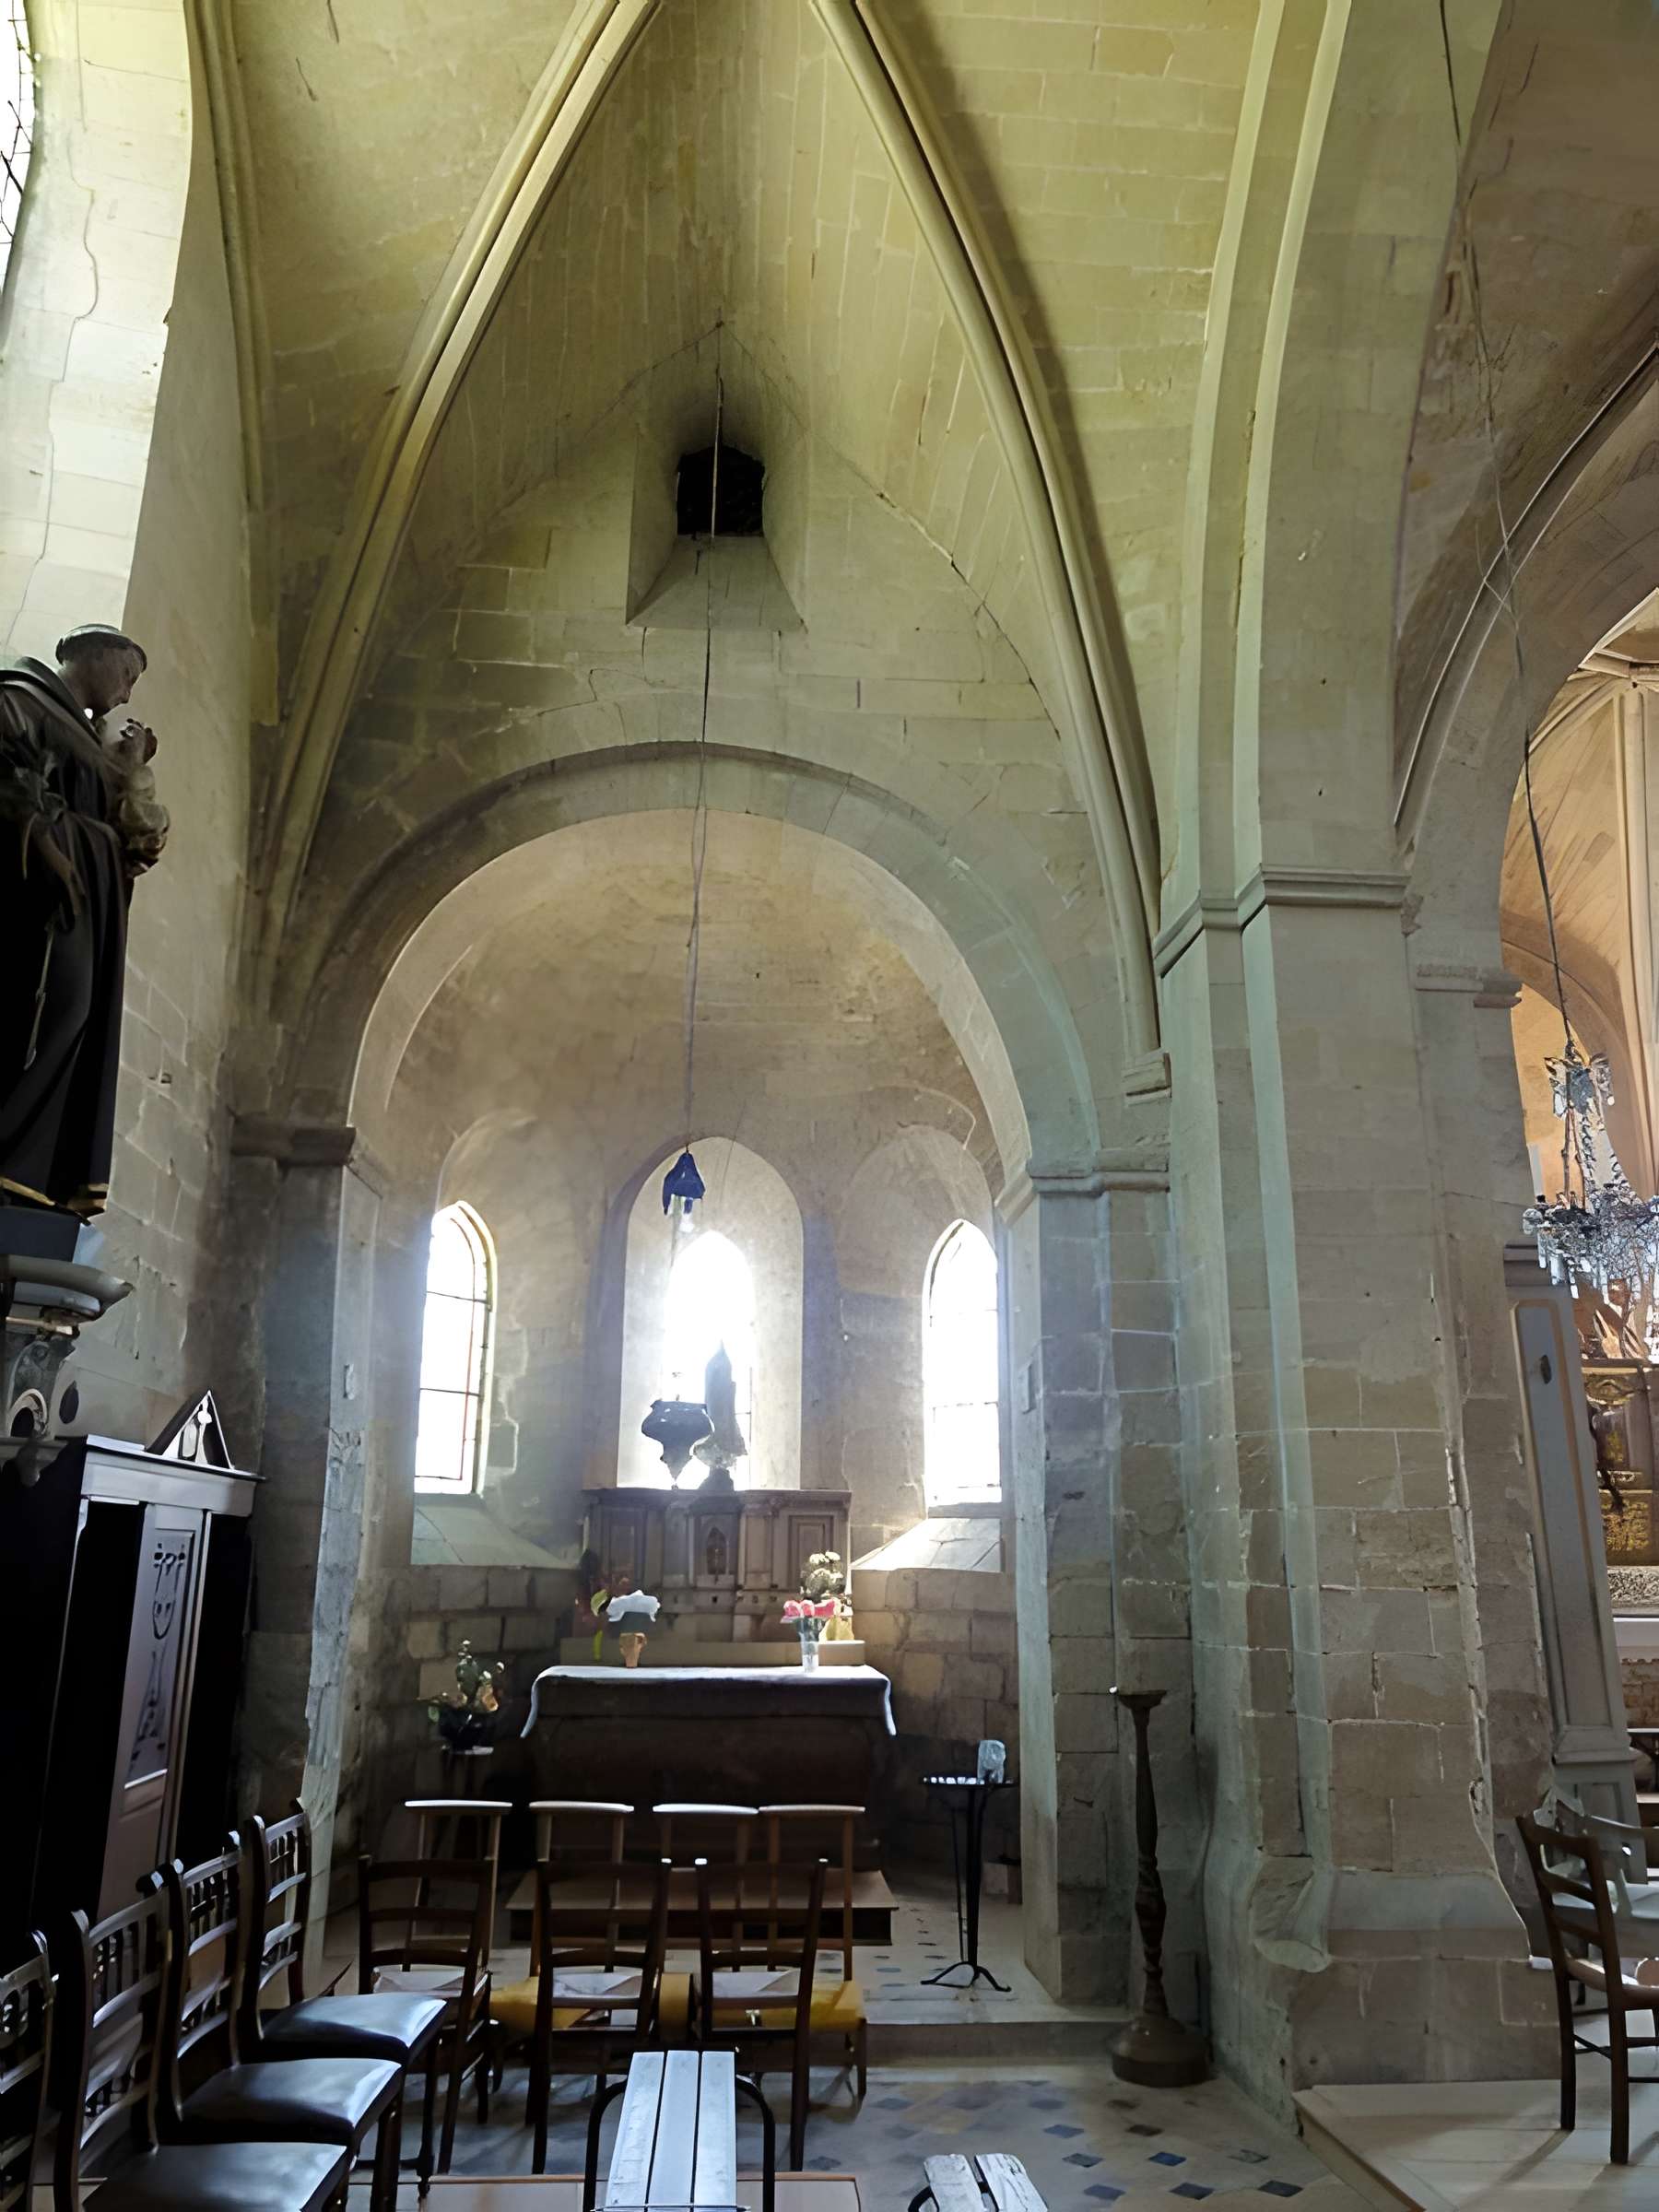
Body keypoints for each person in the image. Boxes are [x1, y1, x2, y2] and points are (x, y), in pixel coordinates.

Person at [0, 625, 166, 1217]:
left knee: (74, 1018)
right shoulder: (21, 697)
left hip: (88, 905)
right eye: (125, 675)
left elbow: (142, 844)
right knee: (46, 1010)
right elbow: (10, 782)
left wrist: (130, 769)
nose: (125, 696)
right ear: (93, 655)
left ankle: (29, 1172)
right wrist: (48, 846)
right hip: (38, 902)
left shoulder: (98, 747)